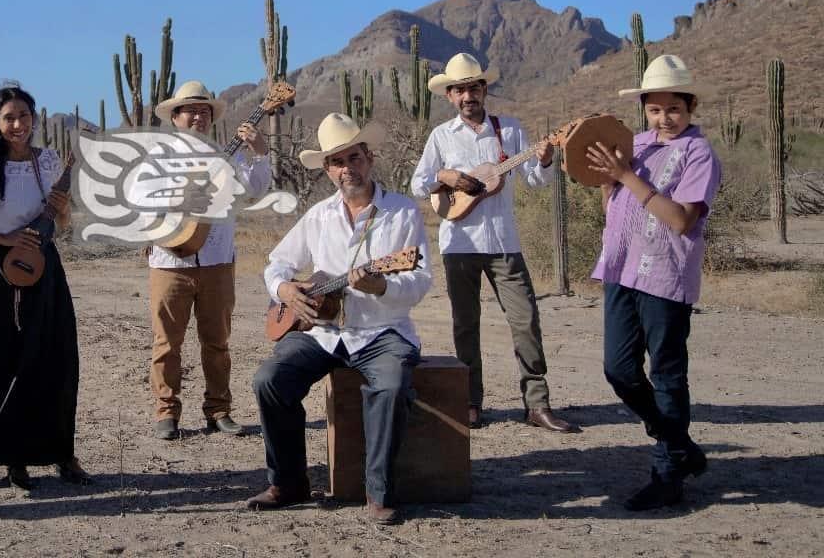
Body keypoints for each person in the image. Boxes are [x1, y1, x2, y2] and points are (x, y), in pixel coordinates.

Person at [248, 113, 432, 525]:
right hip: (323, 331)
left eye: (354, 157)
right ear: (328, 169)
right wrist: (285, 291)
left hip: (382, 331)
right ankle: (289, 483)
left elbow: (419, 280)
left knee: (389, 386)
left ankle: (378, 492)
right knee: (270, 381)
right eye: (337, 161)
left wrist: (381, 287)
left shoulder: (402, 212)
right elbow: (276, 264)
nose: (347, 168)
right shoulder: (318, 216)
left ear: (369, 157)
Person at [410, 52, 578, 433]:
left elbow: (536, 180)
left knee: (526, 320)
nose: (468, 95)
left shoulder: (511, 131)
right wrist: (448, 176)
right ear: (450, 96)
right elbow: (419, 183)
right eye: (460, 90)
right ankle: (470, 402)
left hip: (504, 242)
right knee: (466, 325)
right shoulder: (441, 136)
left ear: (484, 89)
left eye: (474, 87)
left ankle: (537, 404)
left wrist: (547, 159)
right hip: (459, 243)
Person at [586, 54, 720, 510]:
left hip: (665, 274)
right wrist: (610, 182)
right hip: (620, 269)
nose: (665, 118)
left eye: (674, 109)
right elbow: (616, 212)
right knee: (618, 369)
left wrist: (624, 175)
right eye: (656, 109)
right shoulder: (636, 145)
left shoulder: (697, 154)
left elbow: (681, 220)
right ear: (644, 107)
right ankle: (680, 444)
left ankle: (668, 473)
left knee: (666, 373)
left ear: (690, 108)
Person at [0, 84, 91, 489]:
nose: (17, 124)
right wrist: (1, 237)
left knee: (56, 361)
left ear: (34, 120)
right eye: (8, 117)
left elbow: (63, 226)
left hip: (46, 270)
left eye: (24, 116)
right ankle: (14, 458)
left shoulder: (49, 161)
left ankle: (63, 453)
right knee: (4, 363)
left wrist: (63, 215)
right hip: (0, 273)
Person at [144, 81, 272, 440]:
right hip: (169, 261)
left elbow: (254, 190)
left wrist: (260, 154)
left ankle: (218, 410)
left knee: (217, 342)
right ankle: (166, 412)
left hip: (217, 259)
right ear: (176, 117)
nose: (198, 117)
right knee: (167, 342)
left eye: (205, 111)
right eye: (191, 111)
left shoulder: (228, 155)